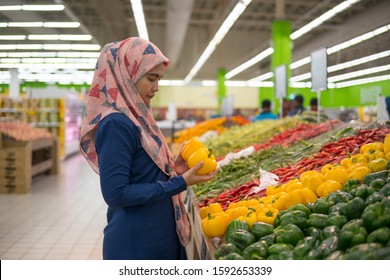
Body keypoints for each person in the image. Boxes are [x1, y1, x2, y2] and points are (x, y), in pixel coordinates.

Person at [79, 37, 216, 260]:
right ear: (127, 75)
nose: (156, 88)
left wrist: (173, 171)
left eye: (159, 79)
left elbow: (142, 175)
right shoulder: (117, 124)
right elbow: (116, 194)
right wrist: (178, 184)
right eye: (151, 79)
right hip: (137, 244)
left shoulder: (138, 118)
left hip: (154, 236)